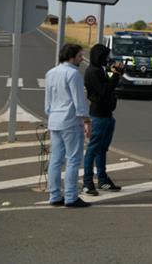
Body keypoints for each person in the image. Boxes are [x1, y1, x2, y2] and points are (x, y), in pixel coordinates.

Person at [45, 43, 92, 208]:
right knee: (73, 159)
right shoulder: (73, 74)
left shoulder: (50, 73)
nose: (81, 59)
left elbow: (48, 101)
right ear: (71, 57)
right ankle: (71, 197)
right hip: (70, 121)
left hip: (54, 120)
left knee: (55, 160)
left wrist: (50, 114)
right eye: (80, 56)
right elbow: (79, 101)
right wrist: (86, 121)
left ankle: (54, 195)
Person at [82, 44, 122, 196]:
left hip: (107, 115)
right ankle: (87, 182)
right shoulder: (93, 72)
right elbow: (105, 90)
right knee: (93, 149)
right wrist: (116, 75)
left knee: (101, 149)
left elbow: (108, 84)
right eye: (105, 56)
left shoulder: (100, 70)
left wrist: (115, 73)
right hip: (98, 116)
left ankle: (103, 180)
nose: (108, 59)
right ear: (99, 57)